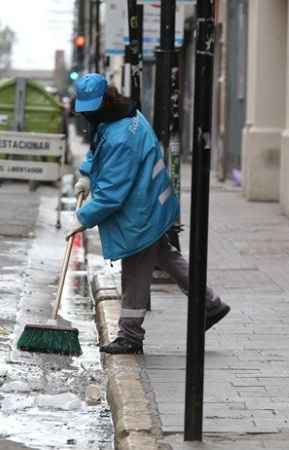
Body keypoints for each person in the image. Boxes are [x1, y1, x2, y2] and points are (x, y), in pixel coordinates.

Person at [64, 73, 230, 355]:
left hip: (140, 212)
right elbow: (98, 148)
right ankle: (210, 304)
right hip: (152, 201)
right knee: (165, 255)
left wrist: (83, 218)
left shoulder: (120, 138)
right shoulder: (123, 115)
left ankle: (130, 335)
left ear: (104, 101)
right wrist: (87, 175)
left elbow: (112, 193)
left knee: (135, 269)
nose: (88, 117)